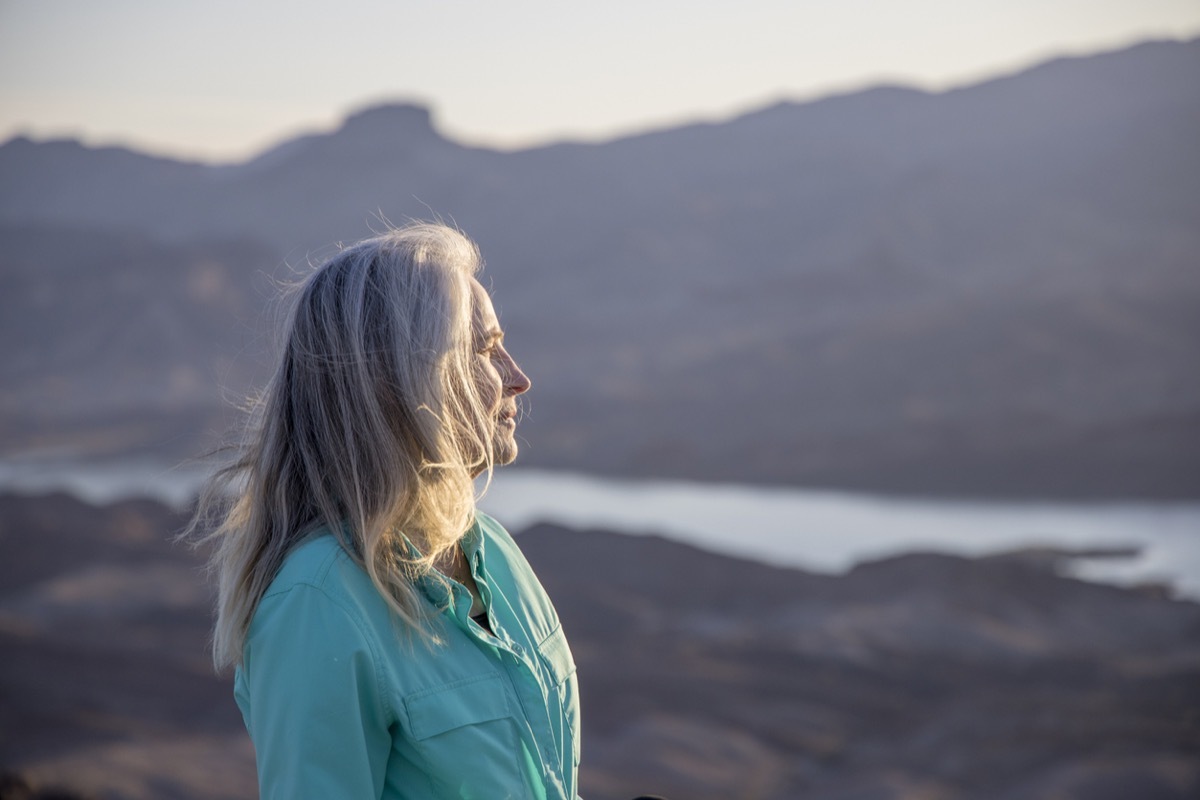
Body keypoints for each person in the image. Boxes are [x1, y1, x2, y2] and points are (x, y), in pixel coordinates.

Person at [189, 223, 580, 799]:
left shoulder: (492, 552)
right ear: (401, 377)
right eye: (485, 350)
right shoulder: (318, 604)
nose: (519, 379)